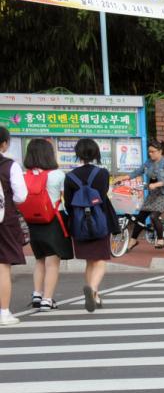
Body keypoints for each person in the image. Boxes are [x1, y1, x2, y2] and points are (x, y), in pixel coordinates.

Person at [62, 138, 118, 312]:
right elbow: (102, 195)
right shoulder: (102, 174)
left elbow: (69, 203)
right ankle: (93, 290)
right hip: (100, 220)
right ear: (96, 153)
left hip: (80, 224)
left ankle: (95, 295)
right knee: (100, 260)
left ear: (77, 154)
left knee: (89, 261)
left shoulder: (70, 177)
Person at [19, 137, 71, 310]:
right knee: (52, 262)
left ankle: (37, 294)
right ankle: (47, 299)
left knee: (39, 259)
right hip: (54, 220)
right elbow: (67, 198)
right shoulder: (57, 175)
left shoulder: (23, 175)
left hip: (33, 221)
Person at [0, 127, 28, 326]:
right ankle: (4, 313)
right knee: (2, 266)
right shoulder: (10, 166)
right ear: (4, 143)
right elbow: (21, 196)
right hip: (4, 220)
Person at [135, 140, 164, 243]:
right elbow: (137, 171)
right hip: (153, 194)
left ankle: (160, 239)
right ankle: (133, 240)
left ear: (160, 151)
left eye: (153, 151)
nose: (150, 154)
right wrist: (124, 177)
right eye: (149, 151)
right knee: (140, 217)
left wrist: (155, 184)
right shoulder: (148, 163)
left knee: (153, 216)